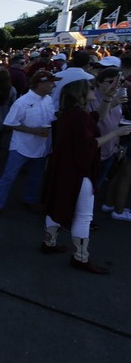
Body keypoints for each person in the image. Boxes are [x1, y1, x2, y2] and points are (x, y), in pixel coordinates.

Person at [42, 79, 131, 274]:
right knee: (84, 216)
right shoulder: (79, 117)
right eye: (91, 88)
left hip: (63, 168)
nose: (93, 89)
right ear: (81, 93)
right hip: (78, 170)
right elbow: (90, 144)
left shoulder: (72, 114)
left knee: (56, 205)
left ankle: (49, 243)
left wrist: (108, 97)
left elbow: (97, 117)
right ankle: (80, 258)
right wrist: (116, 133)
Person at [0, 71, 59, 217]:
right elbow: (9, 123)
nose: (54, 85)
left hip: (41, 148)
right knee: (8, 176)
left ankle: (31, 200)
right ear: (41, 84)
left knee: (36, 176)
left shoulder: (48, 100)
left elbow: (52, 117)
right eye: (51, 82)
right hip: (20, 147)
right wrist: (33, 131)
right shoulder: (22, 102)